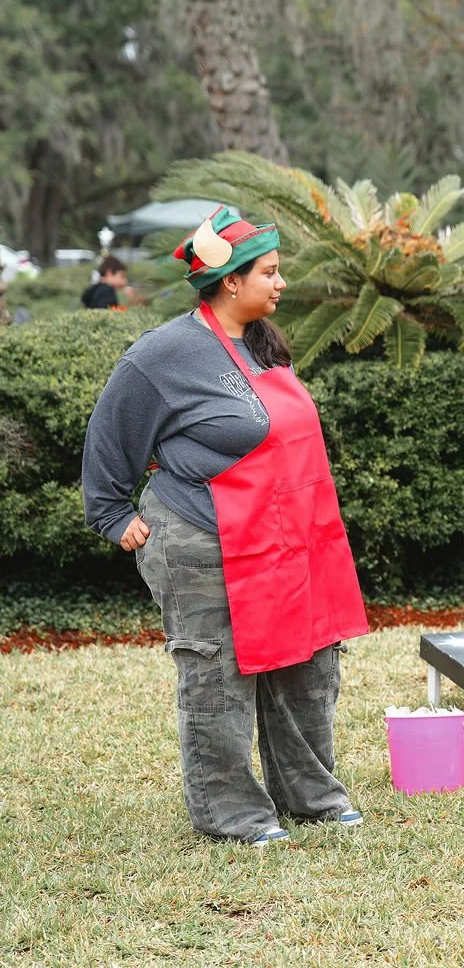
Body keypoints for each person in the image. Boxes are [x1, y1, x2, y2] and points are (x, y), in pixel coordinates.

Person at [82, 206, 369, 846]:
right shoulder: (166, 351)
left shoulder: (261, 340)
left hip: (287, 539)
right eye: (270, 272)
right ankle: (231, 812)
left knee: (307, 663)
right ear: (231, 281)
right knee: (219, 676)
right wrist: (111, 513)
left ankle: (311, 794)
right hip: (202, 540)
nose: (281, 283)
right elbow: (111, 429)